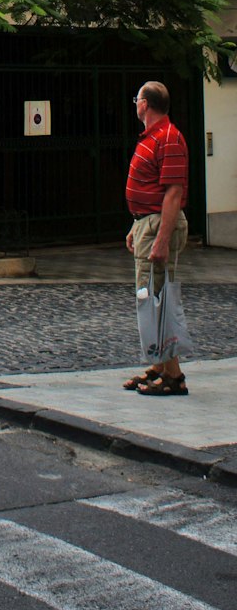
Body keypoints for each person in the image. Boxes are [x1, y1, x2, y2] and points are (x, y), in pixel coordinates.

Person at [123, 81, 190, 396]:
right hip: (146, 224)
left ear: (145, 104)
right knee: (148, 298)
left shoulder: (168, 138)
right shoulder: (152, 137)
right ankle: (159, 365)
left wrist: (161, 240)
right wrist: (136, 226)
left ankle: (173, 375)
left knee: (159, 300)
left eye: (136, 99)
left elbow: (173, 193)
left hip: (158, 226)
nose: (134, 103)